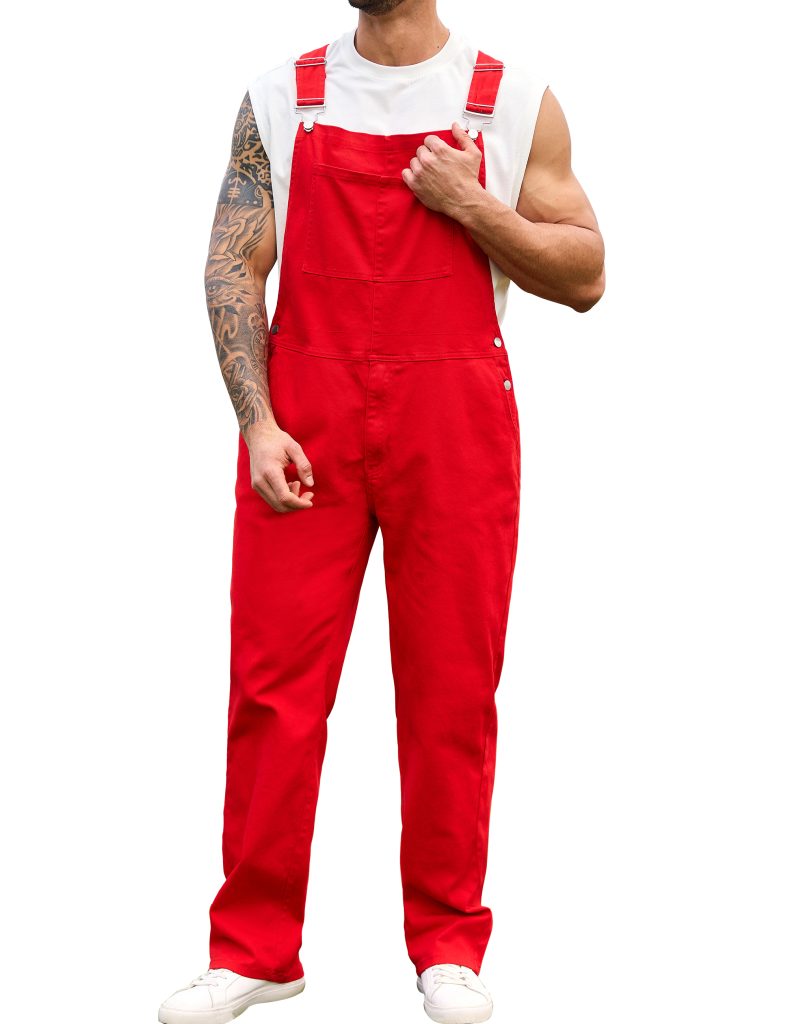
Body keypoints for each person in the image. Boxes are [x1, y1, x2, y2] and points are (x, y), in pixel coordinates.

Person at [159, 1, 605, 1021]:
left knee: (452, 688)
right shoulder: (285, 94)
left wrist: (472, 205)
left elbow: (586, 273)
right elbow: (232, 263)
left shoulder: (509, 98)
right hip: (305, 427)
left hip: (451, 426)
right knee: (272, 687)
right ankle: (255, 950)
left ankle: (447, 945)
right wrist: (256, 423)